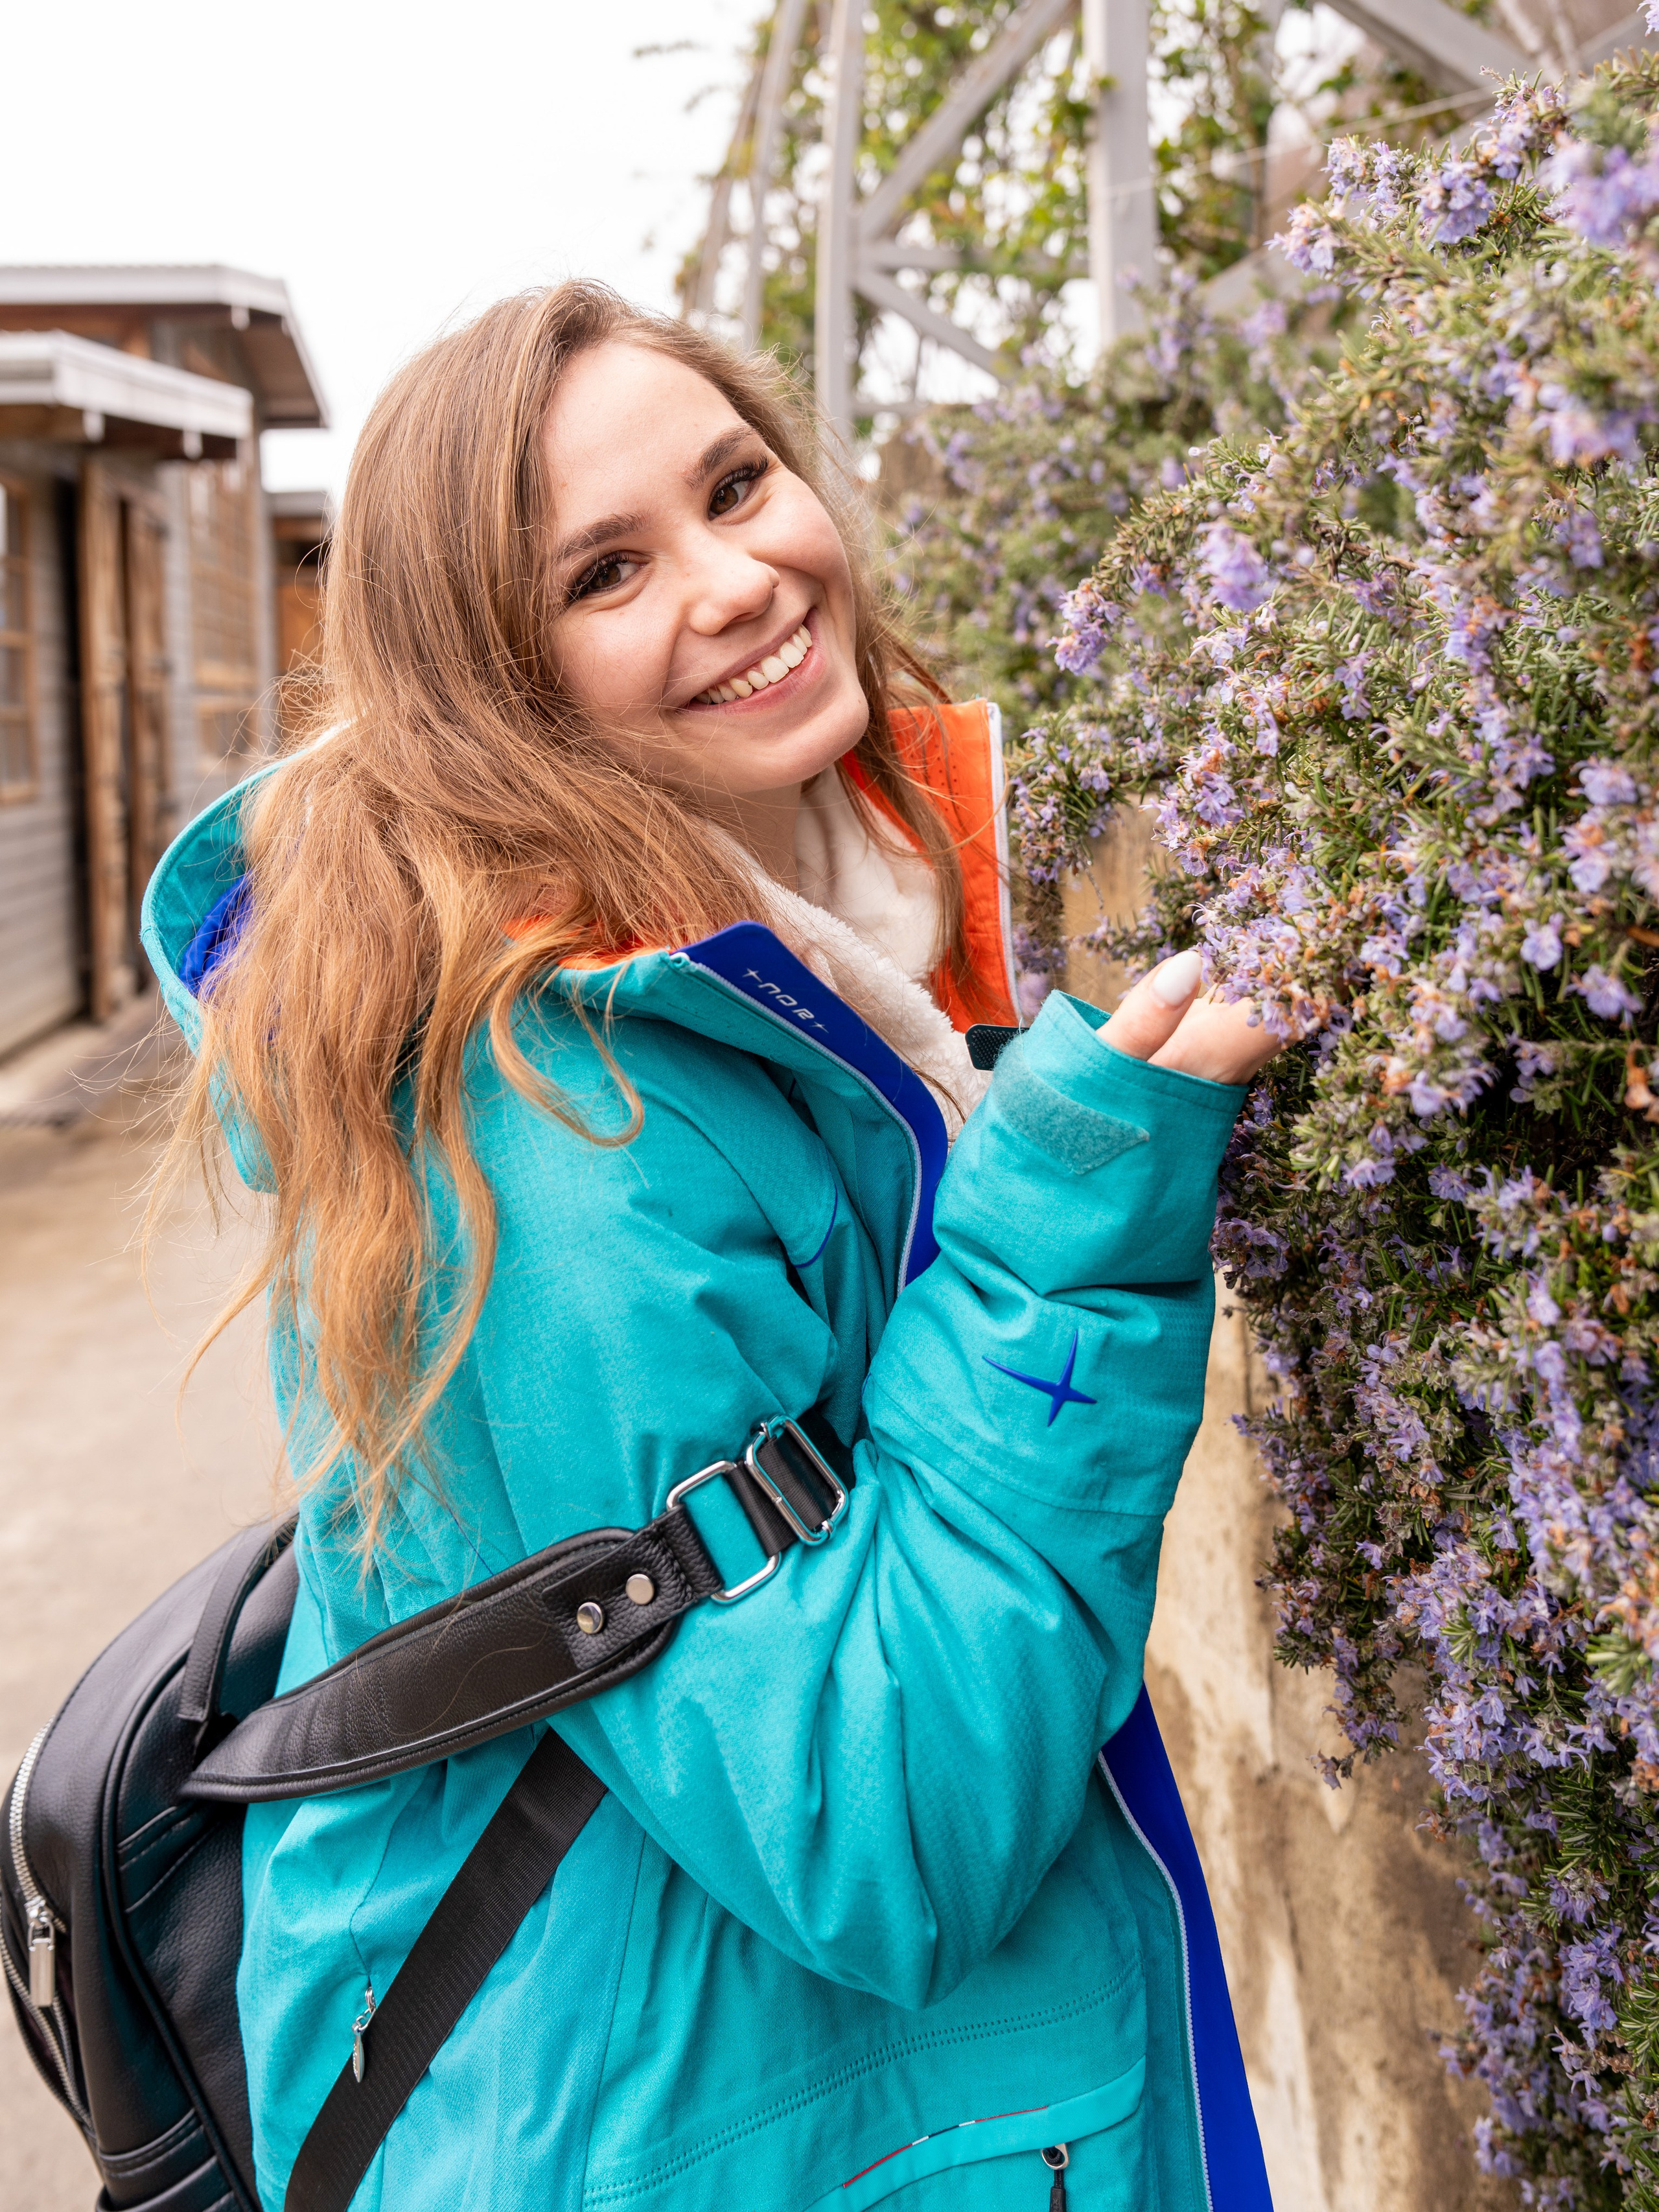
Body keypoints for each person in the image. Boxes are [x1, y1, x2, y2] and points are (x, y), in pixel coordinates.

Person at [143, 281, 1281, 2212]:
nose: (740, 579)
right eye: (607, 572)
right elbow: (876, 1827)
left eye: (737, 486)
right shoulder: (547, 1124)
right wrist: (1070, 1250)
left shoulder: (811, 937)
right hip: (683, 2128)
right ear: (494, 692)